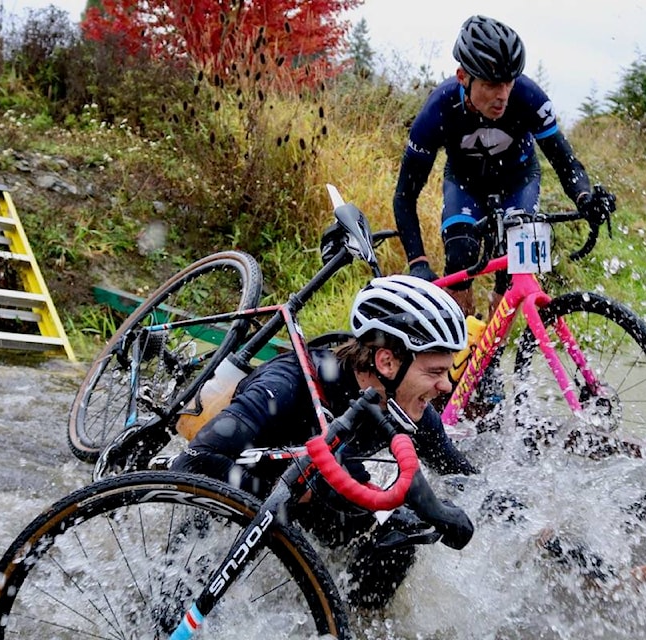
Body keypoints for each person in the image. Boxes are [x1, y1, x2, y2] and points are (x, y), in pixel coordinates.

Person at [171, 274, 477, 608]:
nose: (446, 386)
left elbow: (463, 475)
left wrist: (533, 526)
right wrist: (295, 496)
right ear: (386, 362)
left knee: (401, 531)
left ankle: (353, 621)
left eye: (447, 373)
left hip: (319, 493)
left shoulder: (410, 408)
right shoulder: (285, 386)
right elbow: (191, 464)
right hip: (243, 489)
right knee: (180, 594)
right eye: (434, 373)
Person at [393, 14, 617, 317]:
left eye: (508, 83)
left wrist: (584, 197)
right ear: (463, 77)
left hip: (519, 182)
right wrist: (418, 263)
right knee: (461, 253)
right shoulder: (439, 110)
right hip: (465, 184)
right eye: (491, 84)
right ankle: (463, 353)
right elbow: (405, 195)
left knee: (515, 272)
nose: (502, 96)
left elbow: (565, 162)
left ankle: (494, 354)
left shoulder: (528, 96)